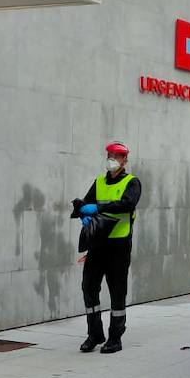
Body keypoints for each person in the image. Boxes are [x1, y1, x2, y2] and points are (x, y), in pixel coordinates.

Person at [72, 141, 141, 353]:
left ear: (125, 160)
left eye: (117, 156)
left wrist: (98, 207)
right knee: (89, 287)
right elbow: (85, 203)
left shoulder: (132, 182)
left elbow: (127, 204)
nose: (112, 159)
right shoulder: (99, 182)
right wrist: (83, 213)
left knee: (117, 290)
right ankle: (94, 334)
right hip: (98, 245)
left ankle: (115, 337)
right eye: (110, 155)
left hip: (119, 245)